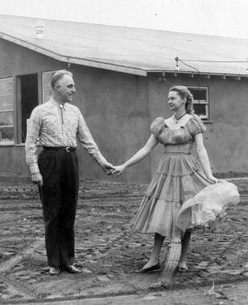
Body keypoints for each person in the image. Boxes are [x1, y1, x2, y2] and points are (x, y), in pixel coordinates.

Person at [112, 85, 219, 272]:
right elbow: (145, 149)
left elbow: (201, 150)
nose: (169, 101)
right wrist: (124, 165)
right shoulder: (162, 123)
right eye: (168, 99)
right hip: (166, 171)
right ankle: (154, 259)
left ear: (184, 100)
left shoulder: (193, 122)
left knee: (186, 212)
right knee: (161, 212)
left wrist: (209, 175)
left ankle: (183, 259)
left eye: (173, 98)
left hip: (187, 169)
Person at [25, 69, 114, 276]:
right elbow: (30, 143)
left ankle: (68, 261)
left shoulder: (75, 111)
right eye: (70, 86)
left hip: (70, 161)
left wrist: (103, 163)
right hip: (49, 161)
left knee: (69, 213)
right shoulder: (40, 111)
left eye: (73, 85)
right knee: (52, 213)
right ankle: (54, 263)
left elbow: (87, 140)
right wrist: (34, 171)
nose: (74, 89)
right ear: (57, 88)